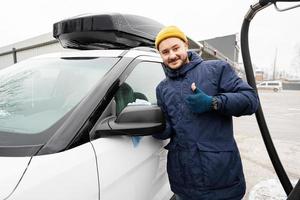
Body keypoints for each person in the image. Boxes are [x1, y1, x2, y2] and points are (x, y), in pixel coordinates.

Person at [152, 26, 259, 200]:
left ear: (186, 45)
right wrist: (157, 127)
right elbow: (169, 129)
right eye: (165, 52)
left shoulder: (216, 70)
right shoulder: (162, 88)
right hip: (183, 180)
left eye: (176, 48)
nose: (171, 55)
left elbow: (250, 100)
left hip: (220, 177)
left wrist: (213, 102)